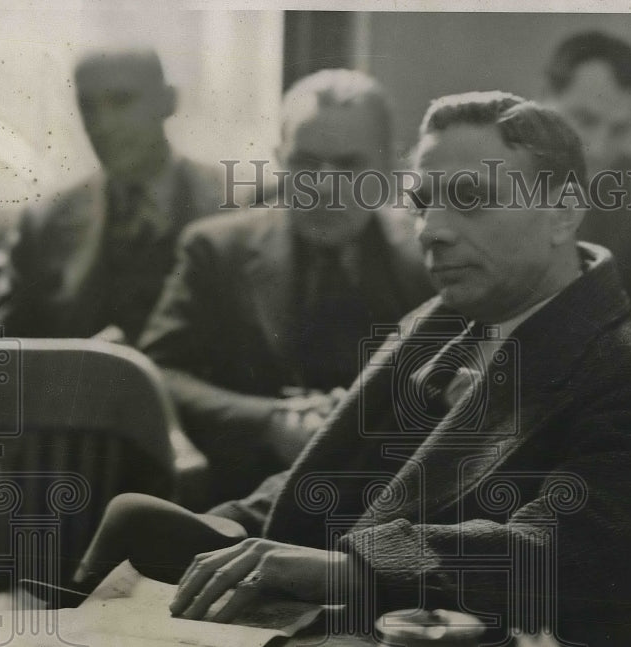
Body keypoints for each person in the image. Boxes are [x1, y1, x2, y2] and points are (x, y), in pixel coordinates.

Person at [75, 91, 631, 646]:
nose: (433, 231)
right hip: (351, 620)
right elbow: (337, 476)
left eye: (469, 200)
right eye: (422, 204)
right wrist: (233, 525)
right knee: (134, 522)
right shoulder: (443, 322)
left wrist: (350, 569)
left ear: (562, 214)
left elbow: (572, 555)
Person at [138, 69, 434, 500]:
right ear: (279, 157)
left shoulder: (429, 259)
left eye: (350, 165)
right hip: (239, 498)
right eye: (306, 163)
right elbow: (158, 374)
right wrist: (267, 421)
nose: (324, 187)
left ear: (389, 167)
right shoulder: (217, 250)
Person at [0, 49, 224, 343]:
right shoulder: (44, 223)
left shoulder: (237, 206)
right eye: (88, 107)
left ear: (168, 101)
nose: (103, 125)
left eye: (122, 101)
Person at [543, 31, 631, 321]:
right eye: (585, 120)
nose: (599, 149)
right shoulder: (478, 172)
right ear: (546, 98)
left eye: (619, 129)